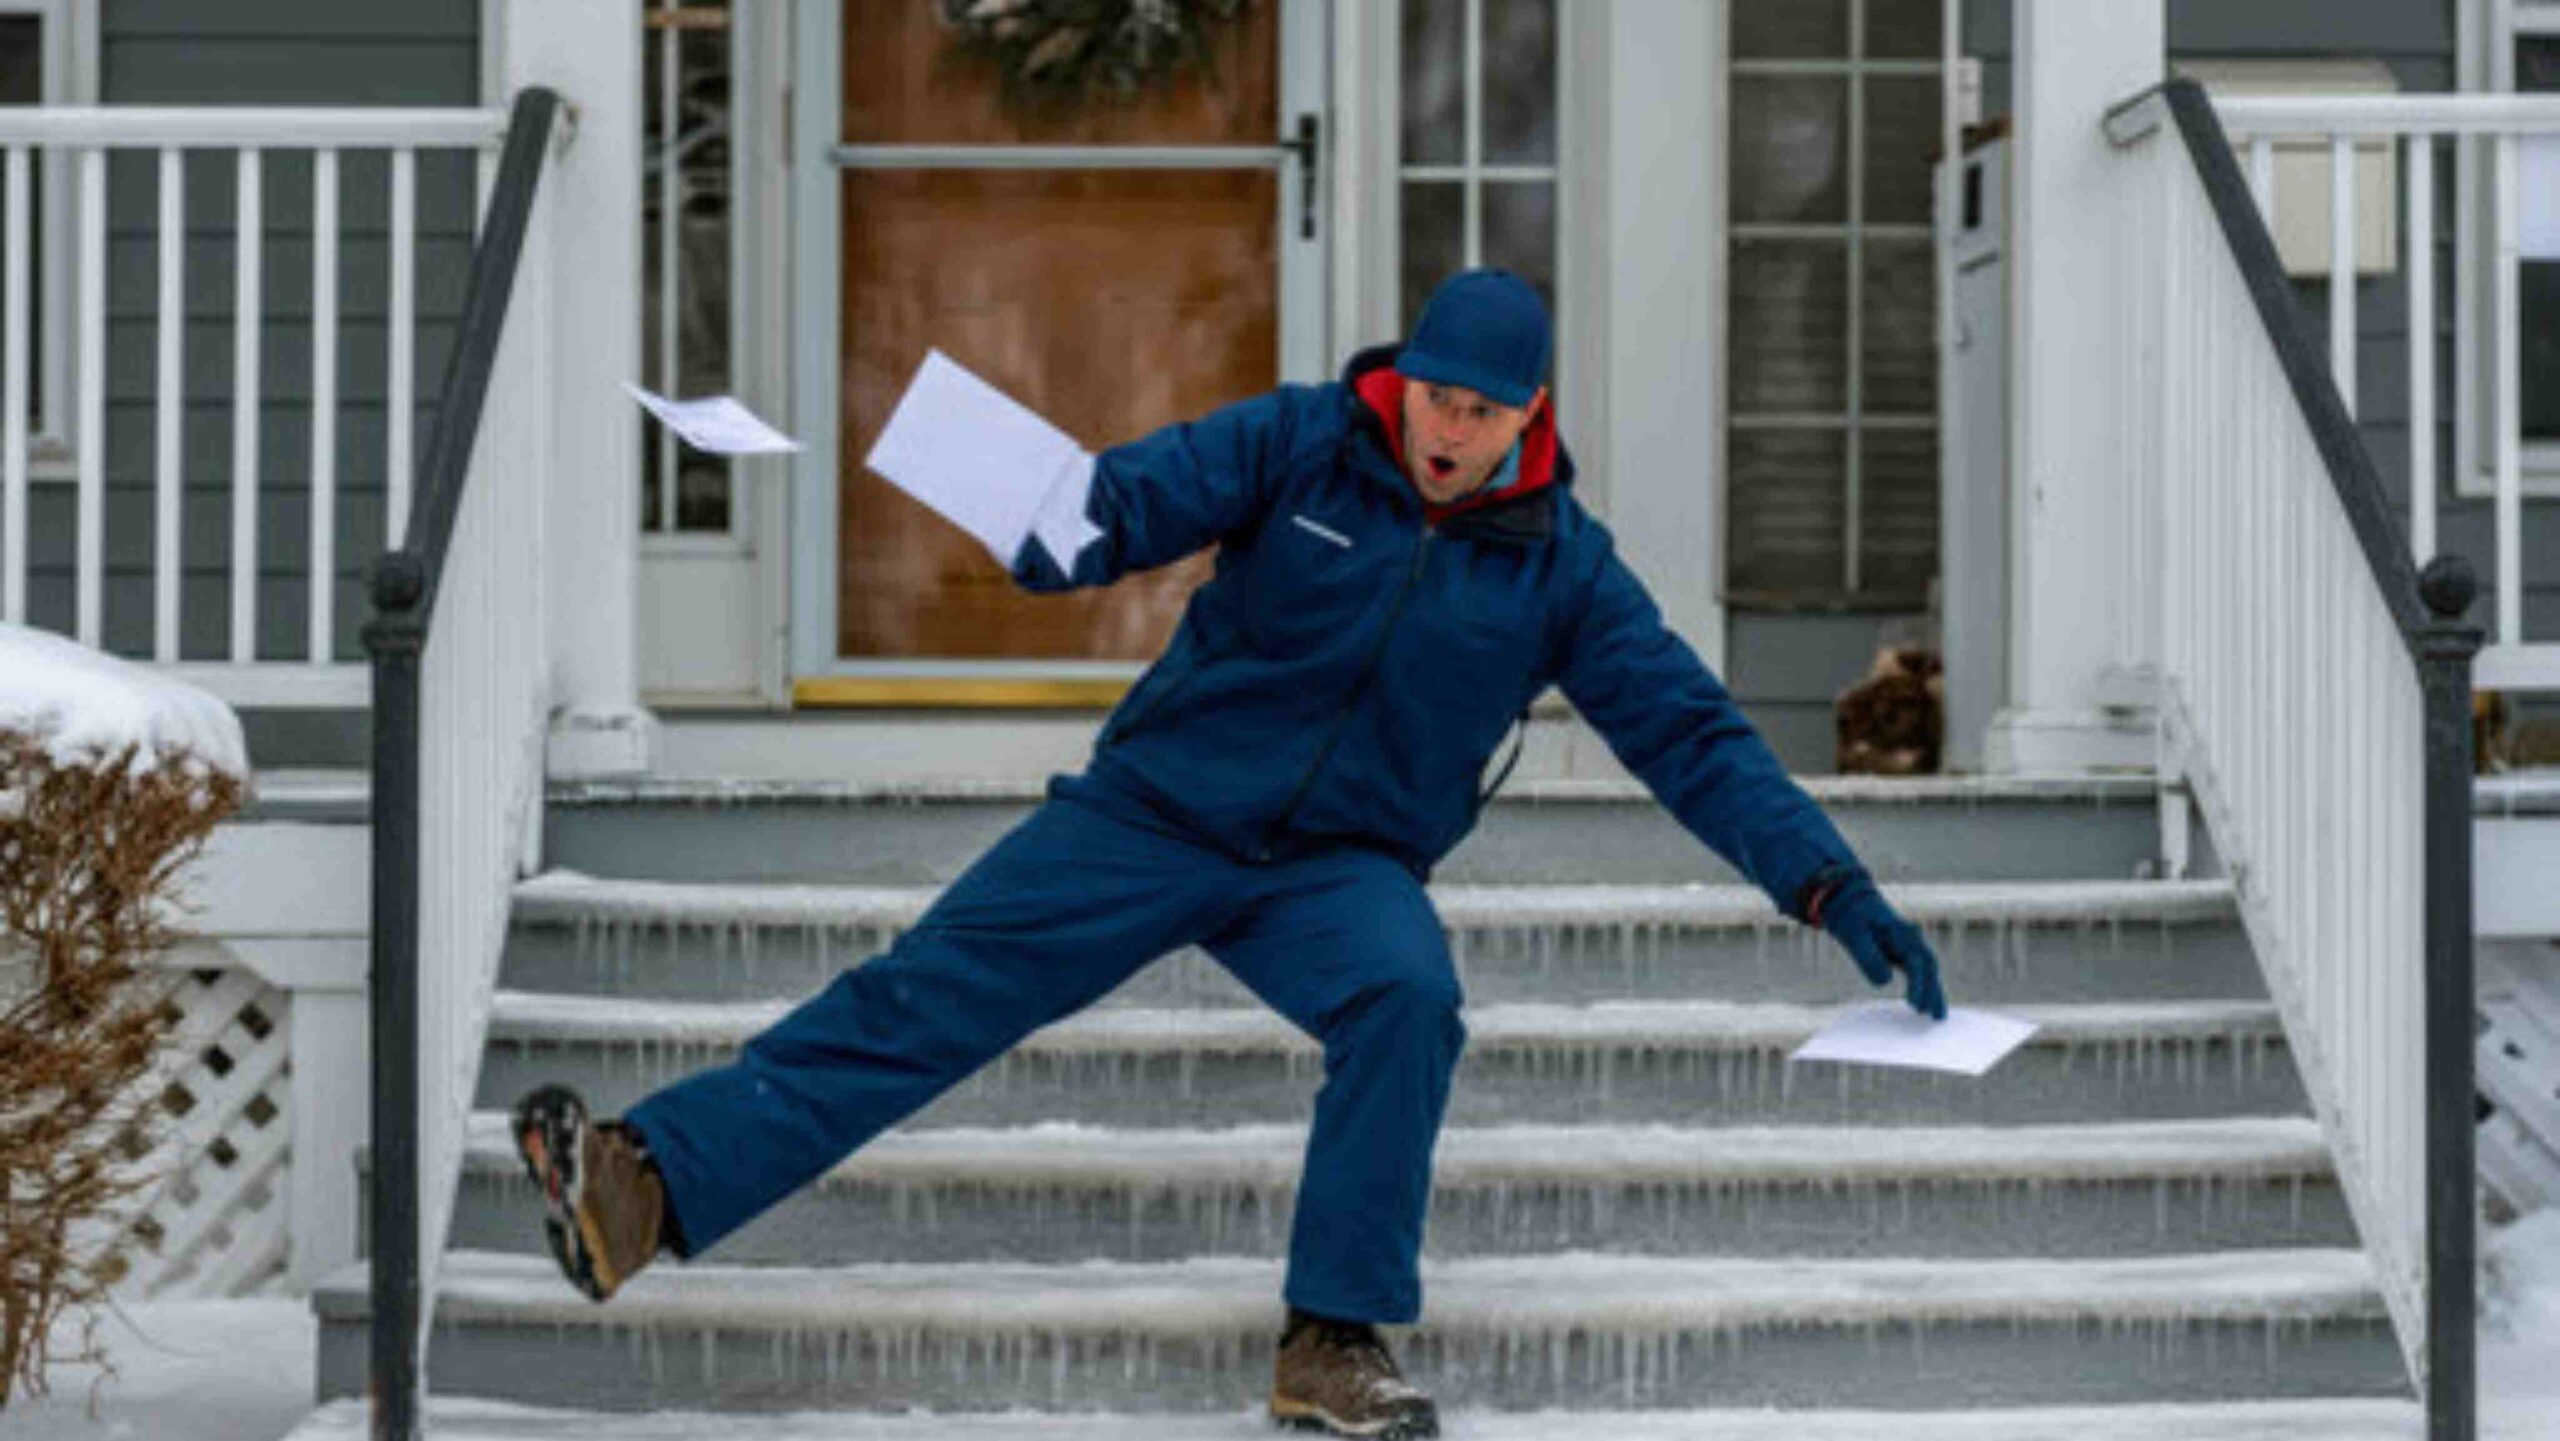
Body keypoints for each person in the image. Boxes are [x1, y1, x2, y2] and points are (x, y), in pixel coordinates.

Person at [512, 268, 1950, 1441]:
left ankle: (1332, 1340)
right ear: (1406, 385)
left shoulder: (1559, 563)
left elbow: (1692, 732)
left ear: (1530, 416)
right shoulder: (1305, 441)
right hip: (1156, 808)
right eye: (1437, 400)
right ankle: (648, 1183)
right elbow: (1118, 506)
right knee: (927, 987)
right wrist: (1027, 502)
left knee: (1409, 996)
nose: (1450, 432)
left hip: (1339, 863)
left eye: (1485, 413)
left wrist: (1832, 882)